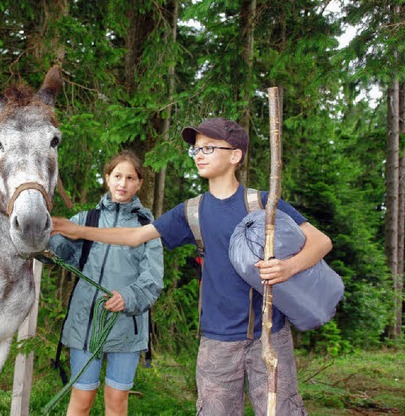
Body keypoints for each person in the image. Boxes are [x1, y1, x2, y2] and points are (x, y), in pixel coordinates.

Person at [52, 117, 332, 415]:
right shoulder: (191, 210)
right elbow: (135, 236)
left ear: (235, 155)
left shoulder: (262, 204)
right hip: (216, 340)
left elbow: (320, 241)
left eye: (208, 148)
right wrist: (79, 230)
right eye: (196, 149)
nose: (199, 154)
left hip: (269, 336)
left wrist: (289, 267)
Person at [49, 150, 164, 416]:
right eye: (117, 176)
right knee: (81, 400)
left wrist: (128, 297)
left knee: (116, 402)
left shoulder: (147, 227)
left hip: (127, 325)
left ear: (139, 183)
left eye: (130, 178)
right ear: (107, 179)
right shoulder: (86, 220)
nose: (123, 183)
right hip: (85, 326)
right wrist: (45, 234)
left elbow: (153, 279)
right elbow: (58, 254)